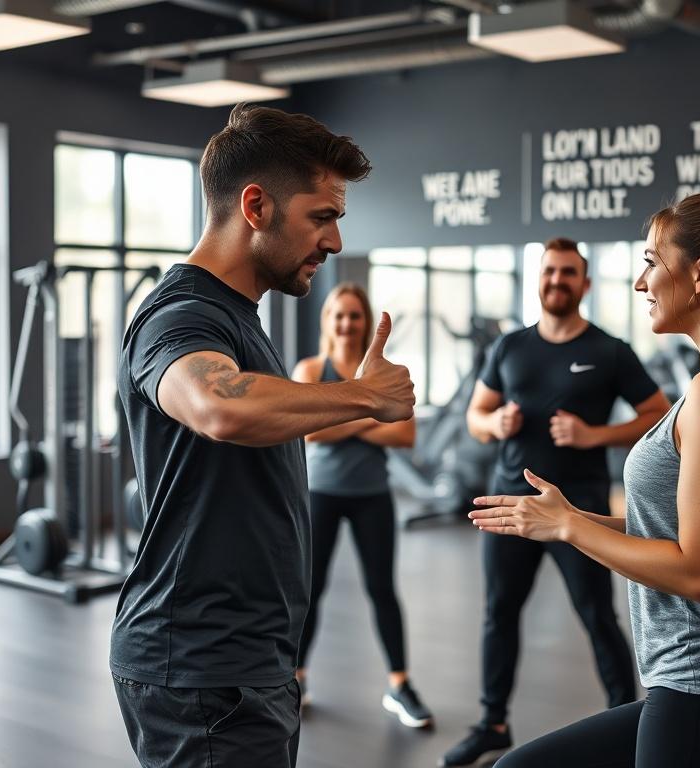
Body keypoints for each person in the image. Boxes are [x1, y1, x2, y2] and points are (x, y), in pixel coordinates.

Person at [470, 179, 700, 768]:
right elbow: (673, 529)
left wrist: (570, 530)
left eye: (651, 263)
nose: (640, 282)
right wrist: (566, 516)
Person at [111, 104, 415, 768]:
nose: (334, 243)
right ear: (256, 205)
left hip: (248, 660)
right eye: (323, 216)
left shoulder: (240, 317)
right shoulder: (181, 315)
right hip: (203, 670)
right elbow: (217, 406)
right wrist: (364, 397)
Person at [440, 238, 671, 767]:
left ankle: (627, 720)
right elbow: (477, 416)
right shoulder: (510, 348)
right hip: (510, 507)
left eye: (568, 273)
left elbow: (658, 414)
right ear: (538, 278)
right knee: (499, 614)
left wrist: (594, 435)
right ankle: (492, 722)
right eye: (549, 272)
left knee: (596, 614)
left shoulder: (609, 350)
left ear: (584, 284)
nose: (557, 281)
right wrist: (493, 423)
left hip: (577, 510)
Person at [291, 282, 434, 728]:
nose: (347, 323)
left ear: (365, 320)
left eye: (354, 315)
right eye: (339, 315)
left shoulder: (385, 373)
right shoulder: (312, 369)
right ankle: (296, 679)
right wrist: (369, 411)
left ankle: (400, 684)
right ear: (327, 321)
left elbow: (405, 435)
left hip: (372, 494)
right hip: (323, 494)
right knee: (311, 590)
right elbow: (309, 431)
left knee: (382, 591)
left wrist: (339, 413)